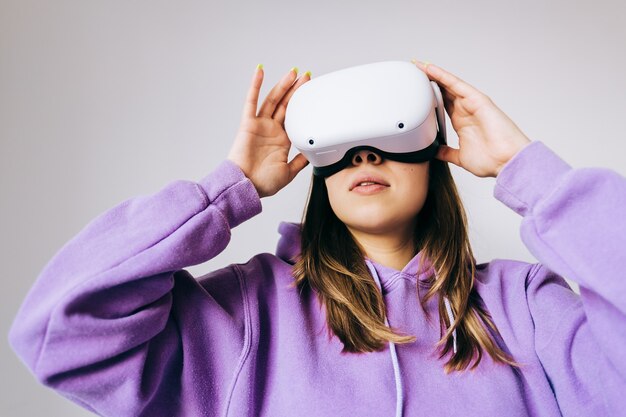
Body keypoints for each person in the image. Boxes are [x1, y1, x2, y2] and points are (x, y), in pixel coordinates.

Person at [8, 61, 625, 417]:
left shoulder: (523, 305)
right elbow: (60, 335)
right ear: (317, 167)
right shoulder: (245, 311)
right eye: (346, 146)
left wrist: (531, 174)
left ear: (437, 156)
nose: (364, 153)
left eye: (390, 138)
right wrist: (230, 188)